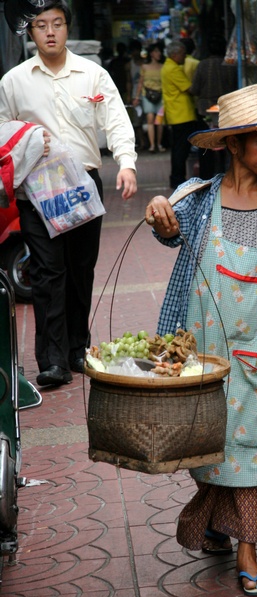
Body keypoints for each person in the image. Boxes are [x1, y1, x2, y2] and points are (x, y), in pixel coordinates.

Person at [145, 84, 257, 596]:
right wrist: (158, 208)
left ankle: (247, 549)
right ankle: (215, 518)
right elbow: (168, 231)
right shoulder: (200, 200)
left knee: (254, 452)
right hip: (204, 356)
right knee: (210, 448)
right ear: (233, 145)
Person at [0, 0, 137, 387]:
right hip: (37, 192)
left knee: (80, 270)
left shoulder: (92, 74)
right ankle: (53, 359)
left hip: (83, 187)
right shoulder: (14, 81)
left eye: (57, 23)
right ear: (31, 32)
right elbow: (1, 129)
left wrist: (126, 164)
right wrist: (26, 141)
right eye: (41, 25)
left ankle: (79, 349)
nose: (49, 31)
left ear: (66, 28)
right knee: (47, 273)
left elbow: (116, 121)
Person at [189, 34, 237, 178]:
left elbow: (195, 89)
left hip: (205, 111)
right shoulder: (230, 65)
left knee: (205, 144)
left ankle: (207, 176)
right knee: (228, 143)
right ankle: (228, 173)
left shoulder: (202, 65)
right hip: (227, 110)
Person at [161, 40, 198, 190]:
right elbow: (189, 88)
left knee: (179, 148)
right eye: (183, 54)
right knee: (180, 150)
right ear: (175, 54)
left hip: (177, 113)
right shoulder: (173, 69)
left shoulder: (169, 66)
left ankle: (177, 178)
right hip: (181, 114)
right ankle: (177, 179)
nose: (185, 57)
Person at [133, 42, 165, 153]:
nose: (159, 53)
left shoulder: (163, 67)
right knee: (150, 119)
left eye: (159, 51)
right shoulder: (144, 67)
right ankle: (153, 145)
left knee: (159, 121)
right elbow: (140, 83)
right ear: (151, 53)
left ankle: (159, 144)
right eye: (156, 51)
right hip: (147, 96)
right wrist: (137, 97)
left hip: (161, 95)